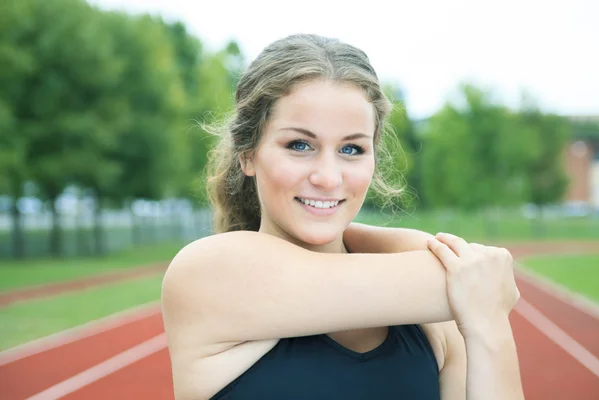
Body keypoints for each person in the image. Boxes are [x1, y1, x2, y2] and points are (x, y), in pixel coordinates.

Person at [161, 33, 524, 400]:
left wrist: (489, 324)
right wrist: (479, 292)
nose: (328, 177)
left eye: (351, 148)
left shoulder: (432, 319)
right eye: (299, 145)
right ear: (247, 154)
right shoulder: (207, 275)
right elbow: (481, 281)